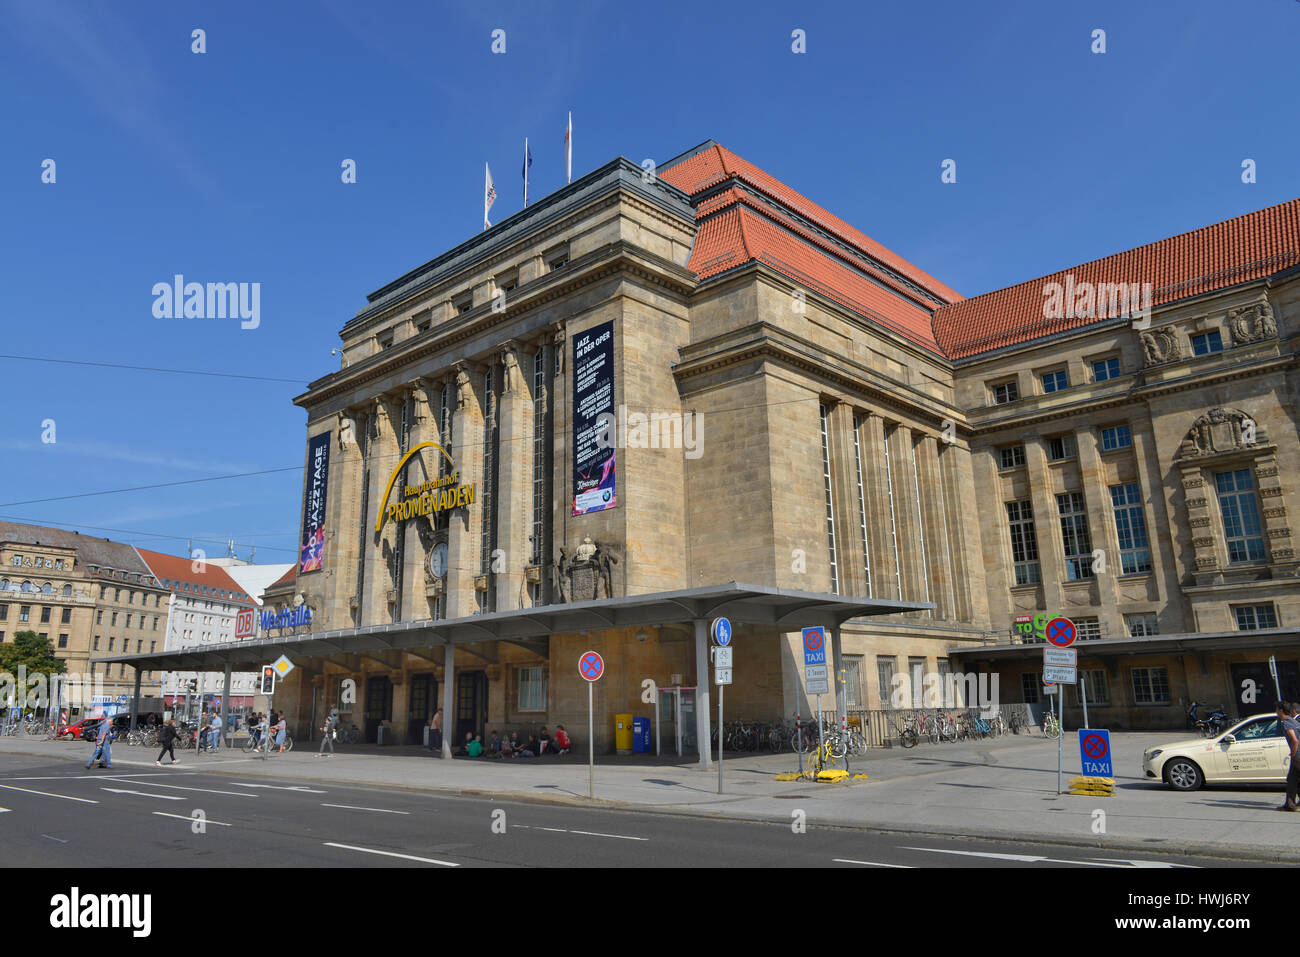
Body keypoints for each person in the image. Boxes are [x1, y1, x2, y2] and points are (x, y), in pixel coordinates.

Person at [1277, 701, 1300, 812]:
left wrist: (1293, 753)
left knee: (1293, 778)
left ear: (1281, 710)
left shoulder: (1287, 722)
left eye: (1277, 709)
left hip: (1298, 755)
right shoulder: (1293, 721)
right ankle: (1289, 804)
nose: (1276, 711)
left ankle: (1290, 804)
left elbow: (1294, 740)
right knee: (1292, 779)